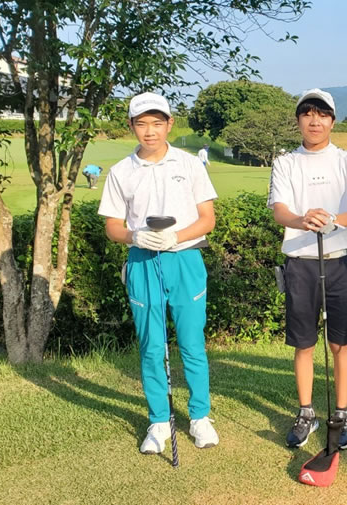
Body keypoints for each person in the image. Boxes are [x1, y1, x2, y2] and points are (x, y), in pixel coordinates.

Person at [98, 92, 220, 454]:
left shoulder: (190, 164)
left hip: (185, 258)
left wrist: (175, 237)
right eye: (141, 123)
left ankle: (199, 416)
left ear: (169, 124)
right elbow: (112, 226)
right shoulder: (121, 171)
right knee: (151, 345)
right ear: (131, 126)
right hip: (142, 260)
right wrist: (135, 235)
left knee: (192, 342)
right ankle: (159, 421)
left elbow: (207, 219)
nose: (149, 131)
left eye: (157, 123)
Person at [267, 88, 347, 450]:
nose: (315, 121)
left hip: (339, 260)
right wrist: (302, 220)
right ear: (298, 120)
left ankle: (340, 414)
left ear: (332, 121)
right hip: (300, 263)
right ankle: (306, 412)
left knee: (340, 343)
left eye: (322, 114)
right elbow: (279, 209)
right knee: (304, 344)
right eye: (307, 114)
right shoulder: (286, 163)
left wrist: (334, 221)